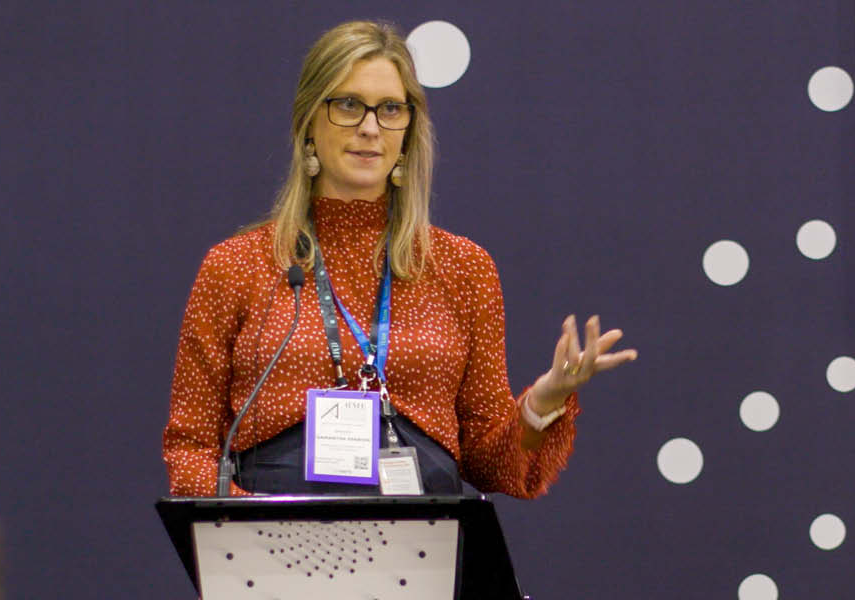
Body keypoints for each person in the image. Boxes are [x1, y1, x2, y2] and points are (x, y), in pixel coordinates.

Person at [162, 20, 636, 498]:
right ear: (309, 122)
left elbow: (492, 465)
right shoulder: (238, 265)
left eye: (390, 108)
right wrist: (261, 530)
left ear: (409, 129)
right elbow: (189, 447)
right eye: (348, 105)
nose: (370, 127)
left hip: (418, 552)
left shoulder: (463, 267)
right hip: (274, 552)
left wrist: (545, 399)